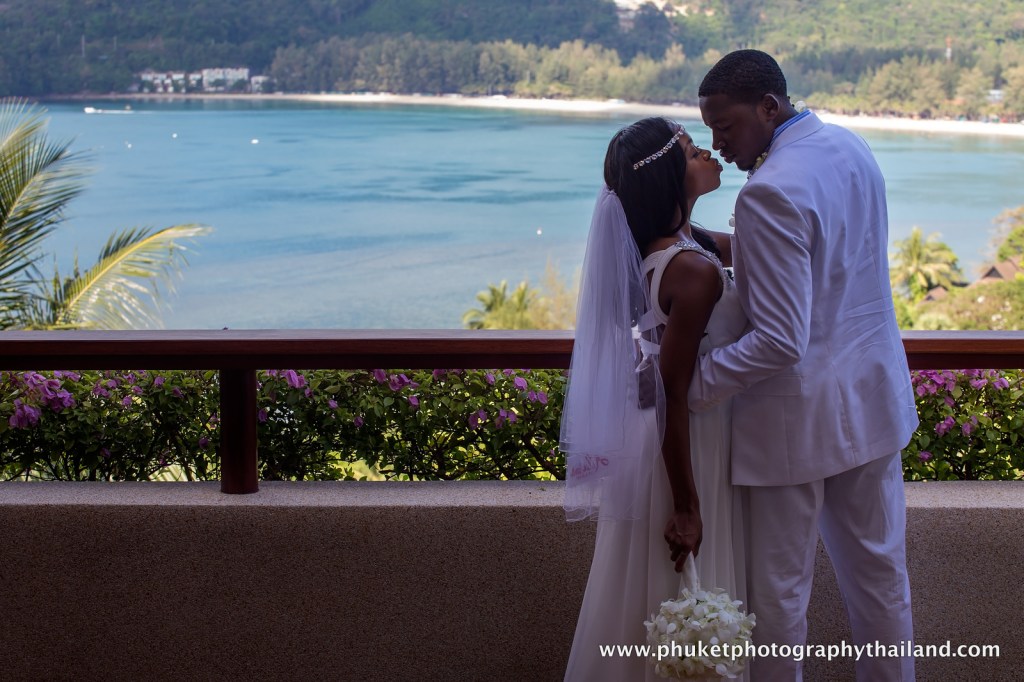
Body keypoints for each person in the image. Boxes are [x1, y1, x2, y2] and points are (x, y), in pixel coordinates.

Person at [690, 49, 920, 681]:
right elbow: (824, 259)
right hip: (871, 403)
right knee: (881, 579)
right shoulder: (851, 148)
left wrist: (690, 384)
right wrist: (702, 241)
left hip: (794, 426)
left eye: (727, 127)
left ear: (769, 107)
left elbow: (780, 341)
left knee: (779, 597)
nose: (720, 145)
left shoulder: (768, 192)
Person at [561, 116, 748, 681]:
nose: (711, 154)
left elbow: (761, 245)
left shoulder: (688, 244)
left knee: (650, 583)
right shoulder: (690, 270)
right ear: (672, 177)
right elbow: (670, 390)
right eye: (693, 151)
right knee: (680, 578)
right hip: (686, 441)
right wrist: (687, 505)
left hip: (672, 435)